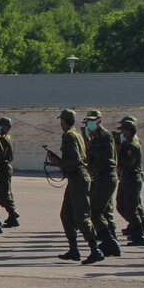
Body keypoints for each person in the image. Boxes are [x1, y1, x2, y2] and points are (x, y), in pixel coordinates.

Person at [45, 109, 103, 264]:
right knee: (66, 215)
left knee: (82, 216)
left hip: (78, 178)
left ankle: (95, 250)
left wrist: (59, 162)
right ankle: (74, 249)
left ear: (63, 121)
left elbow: (75, 159)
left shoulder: (69, 135)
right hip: (75, 178)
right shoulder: (75, 134)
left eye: (61, 121)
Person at [83, 110, 121, 256]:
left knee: (95, 211)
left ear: (99, 121)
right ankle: (109, 241)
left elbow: (108, 156)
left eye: (93, 121)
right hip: (100, 176)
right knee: (101, 211)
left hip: (107, 176)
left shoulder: (105, 136)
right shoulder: (95, 137)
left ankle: (110, 242)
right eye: (88, 122)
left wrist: (91, 147)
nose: (90, 124)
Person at [116, 116, 144, 245]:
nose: (121, 133)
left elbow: (127, 163)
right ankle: (137, 229)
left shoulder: (132, 146)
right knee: (122, 205)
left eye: (123, 131)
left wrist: (118, 151)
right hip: (126, 177)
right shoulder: (127, 143)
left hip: (132, 177)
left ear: (129, 131)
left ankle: (139, 234)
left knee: (131, 208)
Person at [0, 117, 19, 227]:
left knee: (3, 192)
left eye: (0, 125)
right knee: (4, 191)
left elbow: (0, 154)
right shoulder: (8, 137)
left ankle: (12, 214)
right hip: (6, 166)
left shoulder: (4, 139)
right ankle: (12, 212)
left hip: (3, 166)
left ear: (5, 127)